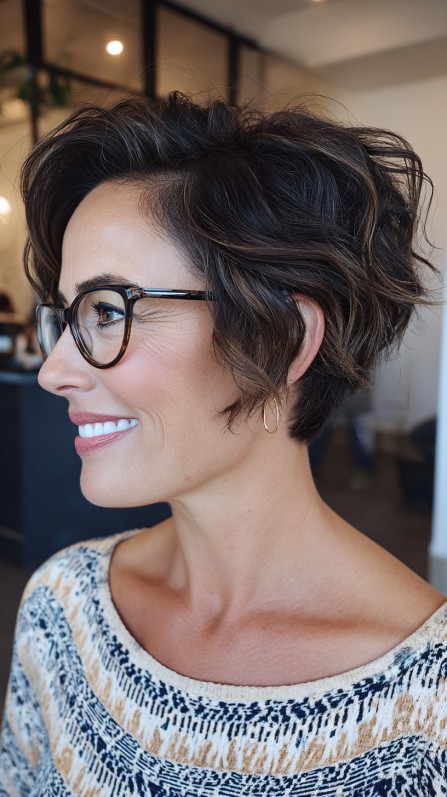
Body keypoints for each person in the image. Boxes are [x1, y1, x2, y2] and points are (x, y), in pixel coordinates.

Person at [1, 93, 446, 796]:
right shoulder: (62, 605)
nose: (56, 371)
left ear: (281, 340)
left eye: (107, 311)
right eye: (68, 316)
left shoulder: (427, 710)